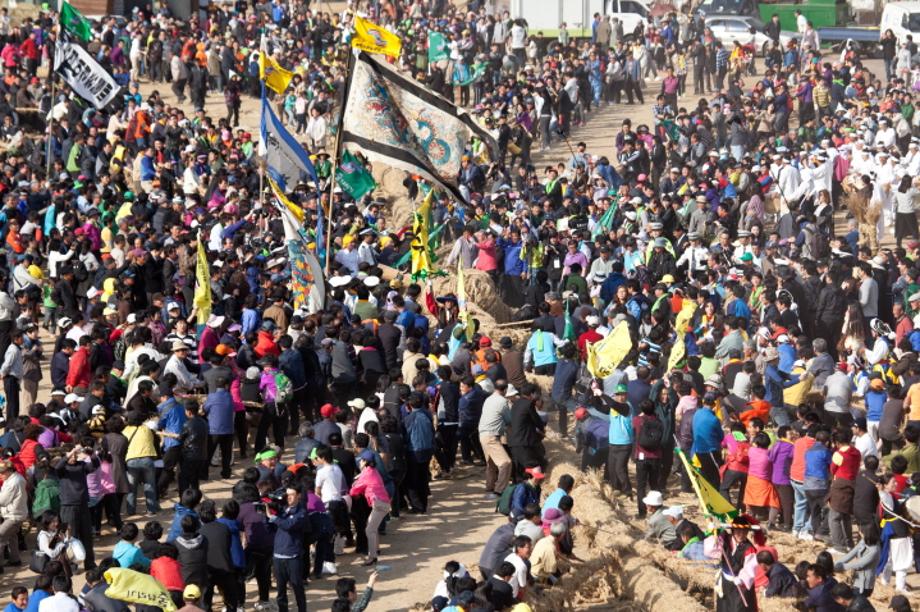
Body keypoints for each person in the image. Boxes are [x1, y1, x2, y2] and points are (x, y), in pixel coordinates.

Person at [349, 450, 391, 566]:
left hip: (379, 504)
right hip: (382, 503)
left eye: (361, 460)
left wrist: (353, 485)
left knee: (369, 529)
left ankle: (372, 557)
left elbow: (354, 490)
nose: (359, 462)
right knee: (372, 526)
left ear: (365, 462)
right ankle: (376, 550)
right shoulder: (372, 471)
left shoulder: (367, 474)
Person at [269, 484, 308, 612]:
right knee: (281, 589)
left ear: (299, 496)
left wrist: (274, 518)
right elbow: (274, 525)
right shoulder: (282, 510)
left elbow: (289, 525)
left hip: (293, 557)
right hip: (278, 555)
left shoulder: (301, 513)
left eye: (292, 494)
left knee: (297, 587)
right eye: (287, 495)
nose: (289, 497)